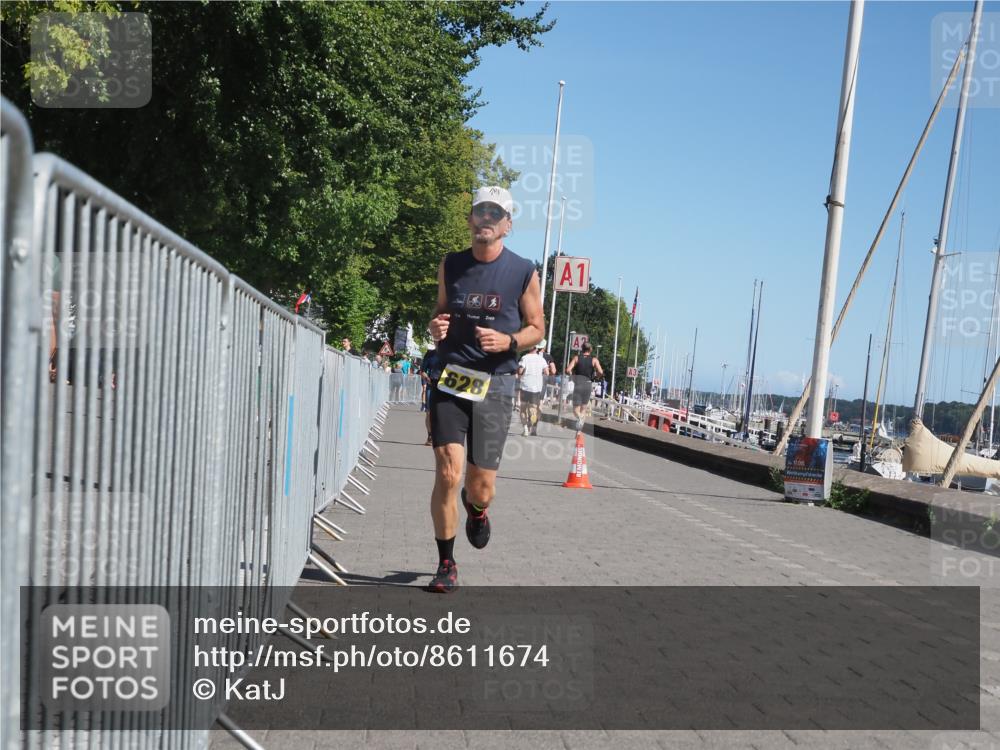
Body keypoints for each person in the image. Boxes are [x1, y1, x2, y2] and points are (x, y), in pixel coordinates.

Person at [426, 186, 544, 593]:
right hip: (452, 377)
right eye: (481, 211)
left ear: (507, 225)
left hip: (495, 384)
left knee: (481, 486)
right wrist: (435, 325)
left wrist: (509, 341)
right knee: (448, 471)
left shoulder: (523, 271)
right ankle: (446, 564)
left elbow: (537, 328)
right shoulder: (451, 264)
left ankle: (476, 509)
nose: (487, 219)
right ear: (470, 219)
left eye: (496, 213)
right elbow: (440, 310)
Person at [566, 342, 604, 432]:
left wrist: (572, 376)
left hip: (578, 384)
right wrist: (597, 377)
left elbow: (568, 370)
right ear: (590, 350)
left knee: (575, 410)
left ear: (582, 349)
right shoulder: (594, 360)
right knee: (583, 409)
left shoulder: (576, 358)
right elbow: (601, 372)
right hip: (588, 384)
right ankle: (579, 431)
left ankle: (579, 419)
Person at [517, 340, 550, 437]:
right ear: (537, 348)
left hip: (525, 386)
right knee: (533, 408)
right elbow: (547, 372)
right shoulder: (541, 359)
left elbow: (520, 371)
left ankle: (525, 429)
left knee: (523, 409)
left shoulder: (525, 357)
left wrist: (521, 371)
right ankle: (532, 419)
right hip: (536, 387)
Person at [420, 345, 443, 444]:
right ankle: (430, 435)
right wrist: (427, 378)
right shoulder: (430, 354)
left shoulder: (451, 353)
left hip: (445, 388)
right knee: (429, 412)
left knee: (442, 413)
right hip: (431, 386)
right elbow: (422, 371)